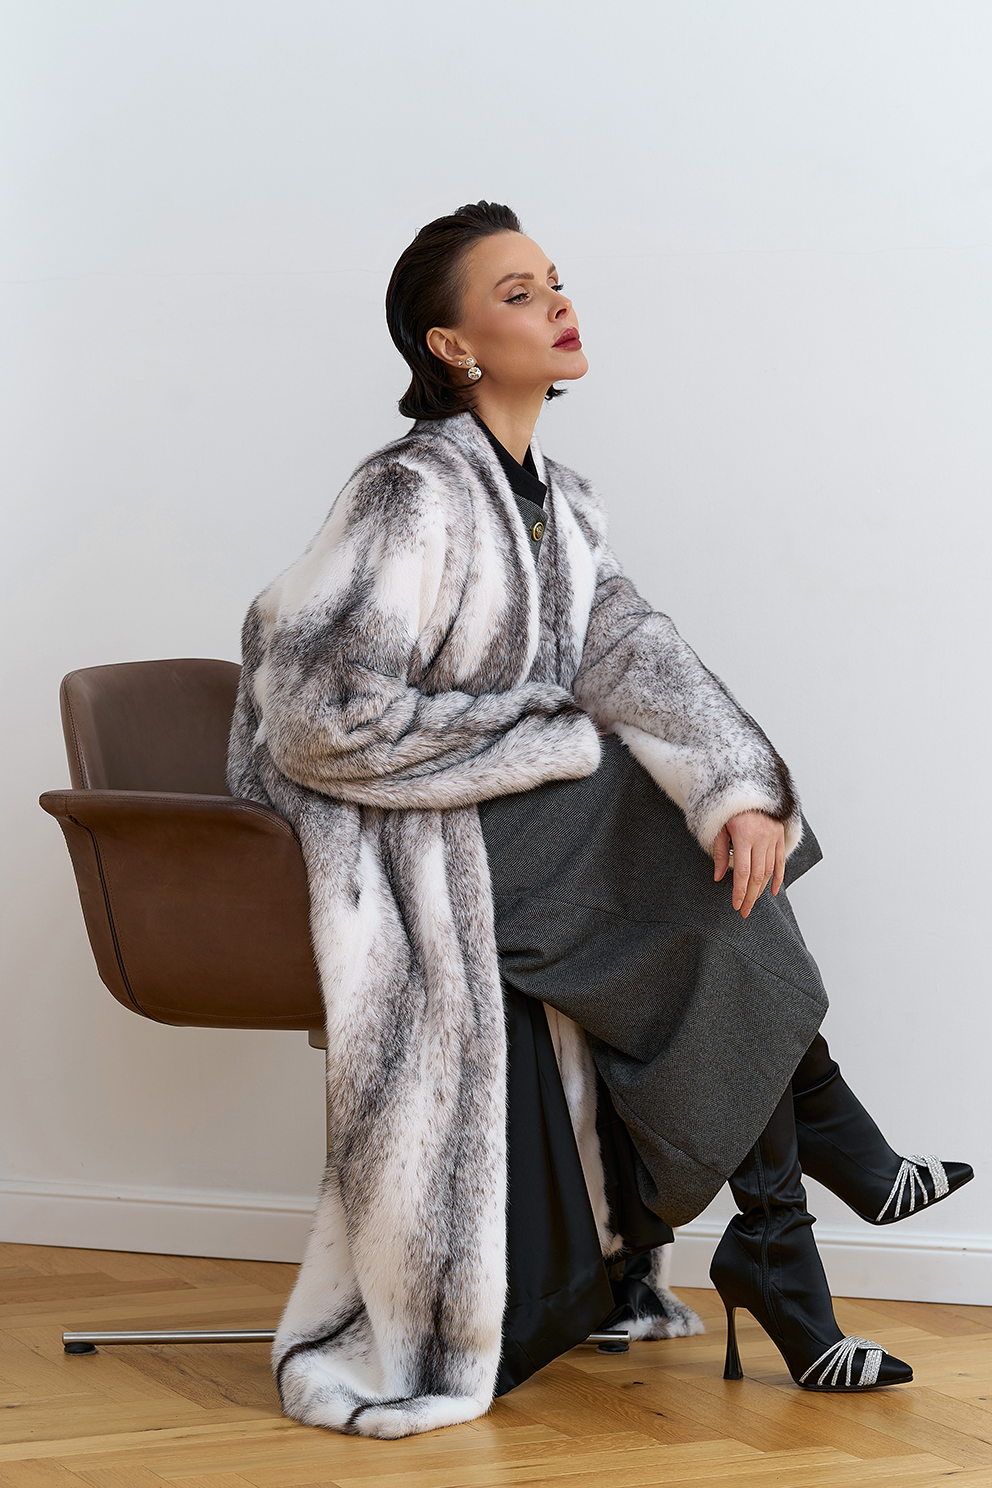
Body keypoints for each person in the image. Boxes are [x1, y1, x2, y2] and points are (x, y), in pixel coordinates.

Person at [227, 201, 972, 1439]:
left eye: (554, 281)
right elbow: (316, 714)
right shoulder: (407, 490)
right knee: (643, 813)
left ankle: (785, 1246)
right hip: (402, 835)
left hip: (507, 832)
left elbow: (637, 655)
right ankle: (819, 1184)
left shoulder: (560, 505)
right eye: (517, 293)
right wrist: (546, 740)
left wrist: (739, 787)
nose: (557, 304)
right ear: (451, 345)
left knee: (709, 852)